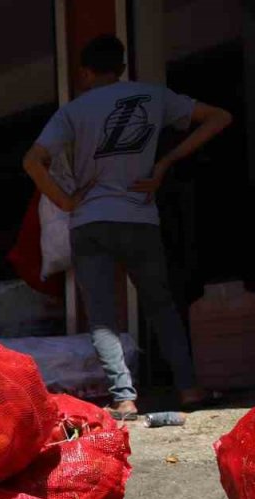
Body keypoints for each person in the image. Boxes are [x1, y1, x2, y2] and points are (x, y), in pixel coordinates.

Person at [24, 34, 231, 419]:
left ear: (85, 72)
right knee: (161, 306)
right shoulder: (154, 96)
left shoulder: (73, 111)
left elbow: (32, 161)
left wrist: (65, 202)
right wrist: (165, 163)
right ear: (121, 67)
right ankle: (189, 389)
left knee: (103, 316)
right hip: (140, 218)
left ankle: (124, 398)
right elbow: (220, 117)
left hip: (90, 222)